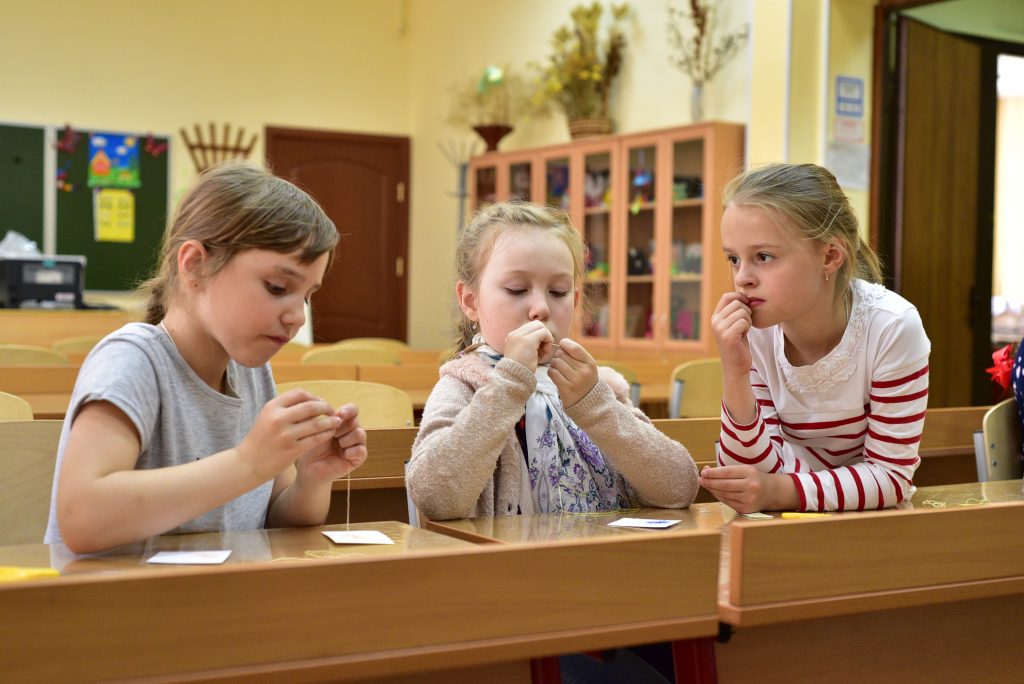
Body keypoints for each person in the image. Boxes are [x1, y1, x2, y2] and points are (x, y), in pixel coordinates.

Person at [44, 161, 367, 554]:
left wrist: (312, 480)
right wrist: (248, 463)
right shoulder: (133, 360)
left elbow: (277, 524)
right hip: (114, 609)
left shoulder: (253, 375)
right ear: (195, 265)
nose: (298, 316)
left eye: (308, 296)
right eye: (278, 286)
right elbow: (82, 518)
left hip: (212, 605)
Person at [407, 201, 698, 521]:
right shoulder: (464, 385)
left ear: (574, 301)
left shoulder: (596, 387)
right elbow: (434, 497)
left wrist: (597, 408)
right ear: (470, 301)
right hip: (505, 567)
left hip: (605, 561)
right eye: (517, 289)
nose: (540, 307)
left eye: (558, 292)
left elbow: (679, 487)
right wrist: (509, 385)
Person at [700, 163, 930, 513]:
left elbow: (889, 477)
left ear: (830, 256)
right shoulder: (758, 333)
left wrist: (779, 490)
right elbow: (746, 473)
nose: (742, 278)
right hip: (785, 524)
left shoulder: (892, 327)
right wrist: (735, 371)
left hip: (871, 527)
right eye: (734, 259)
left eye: (763, 257)